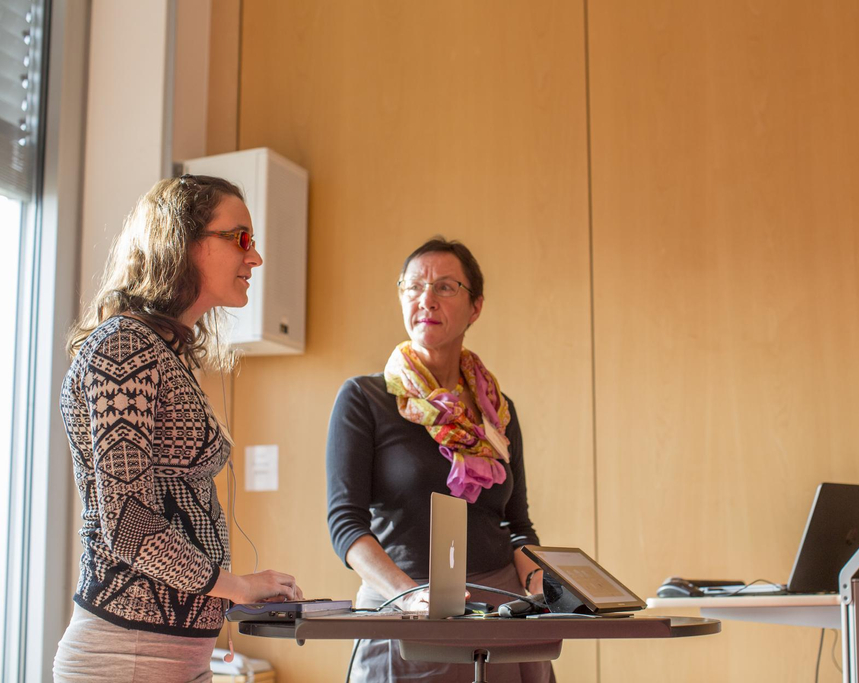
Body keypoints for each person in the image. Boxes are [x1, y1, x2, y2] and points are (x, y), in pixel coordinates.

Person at [53, 175, 303, 683]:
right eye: (240, 238)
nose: (253, 258)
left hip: (168, 659)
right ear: (182, 241)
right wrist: (238, 586)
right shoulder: (124, 347)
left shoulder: (158, 351)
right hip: (127, 659)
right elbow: (127, 521)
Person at [326, 237, 555, 682]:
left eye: (446, 287)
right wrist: (410, 596)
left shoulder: (497, 409)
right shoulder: (364, 398)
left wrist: (547, 589)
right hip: (404, 608)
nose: (426, 298)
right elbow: (346, 525)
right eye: (413, 286)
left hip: (502, 611)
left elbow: (517, 525)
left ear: (476, 306)